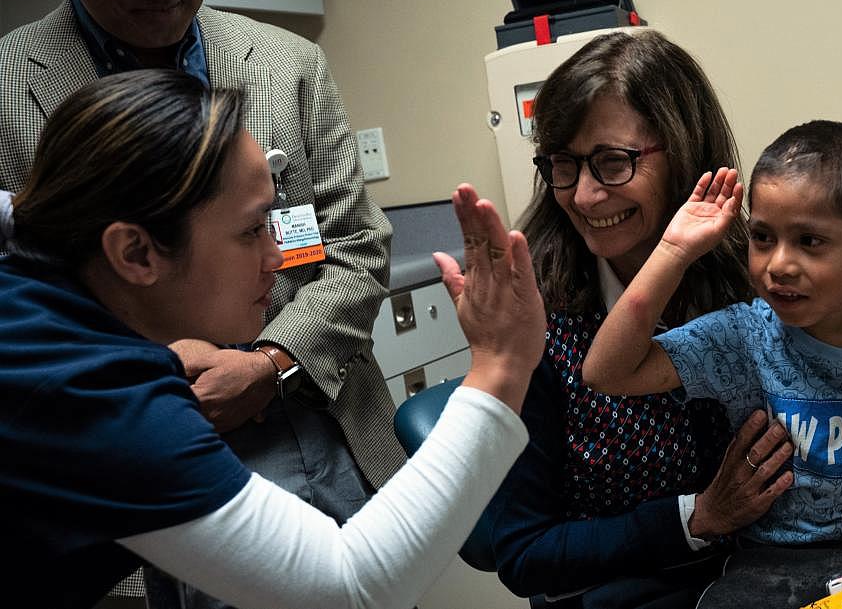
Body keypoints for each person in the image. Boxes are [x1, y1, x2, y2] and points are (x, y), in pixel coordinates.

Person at [0, 68, 544, 609]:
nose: (276, 258)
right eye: (251, 229)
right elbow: (349, 587)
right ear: (137, 254)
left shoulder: (38, 298)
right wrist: (502, 363)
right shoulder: (92, 388)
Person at [485, 30, 842, 609]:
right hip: (625, 591)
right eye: (563, 165)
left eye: (612, 163)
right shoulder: (537, 322)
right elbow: (525, 555)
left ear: (682, 155)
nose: (583, 196)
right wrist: (698, 516)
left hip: (778, 575)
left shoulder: (756, 283)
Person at [0, 0, 402, 603]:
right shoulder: (6, 84)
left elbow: (356, 245)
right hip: (133, 451)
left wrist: (272, 363)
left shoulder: (286, 63)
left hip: (311, 419)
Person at [582, 120, 842, 608]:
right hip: (765, 573)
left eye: (810, 241)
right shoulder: (741, 337)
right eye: (762, 237)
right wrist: (675, 252)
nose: (778, 264)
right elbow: (606, 373)